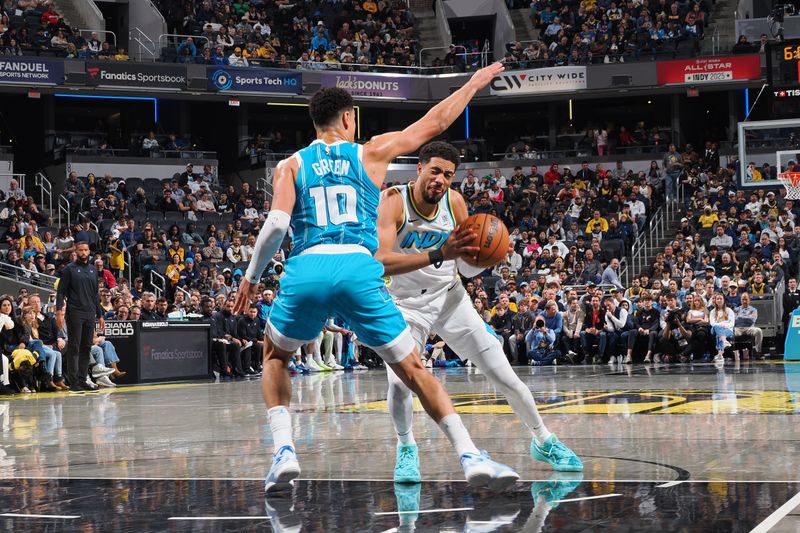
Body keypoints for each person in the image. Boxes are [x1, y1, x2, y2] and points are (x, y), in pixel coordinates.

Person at [232, 64, 520, 493]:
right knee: (414, 369)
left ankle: (284, 452)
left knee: (275, 356)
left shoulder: (290, 165)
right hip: (358, 267)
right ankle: (469, 455)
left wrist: (252, 277)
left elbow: (275, 225)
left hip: (308, 264)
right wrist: (474, 84)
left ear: (315, 121)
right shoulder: (370, 152)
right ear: (348, 118)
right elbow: (435, 122)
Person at [375, 141, 582, 482]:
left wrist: (489, 254)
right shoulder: (394, 202)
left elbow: (467, 266)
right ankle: (406, 447)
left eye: (448, 174)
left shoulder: (455, 202)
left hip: (450, 297)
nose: (440, 179)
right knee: (399, 386)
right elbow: (381, 261)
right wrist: (440, 253)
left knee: (503, 374)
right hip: (405, 305)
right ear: (419, 169)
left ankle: (543, 439)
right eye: (435, 171)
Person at [55, 242, 105, 393]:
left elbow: (96, 294)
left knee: (86, 347)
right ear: (76, 251)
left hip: (90, 314)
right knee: (75, 348)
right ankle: (74, 382)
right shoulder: (69, 269)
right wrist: (58, 312)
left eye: (86, 250)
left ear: (89, 251)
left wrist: (100, 315)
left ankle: (83, 380)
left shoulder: (93, 270)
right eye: (80, 250)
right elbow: (61, 292)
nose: (83, 253)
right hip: (75, 312)